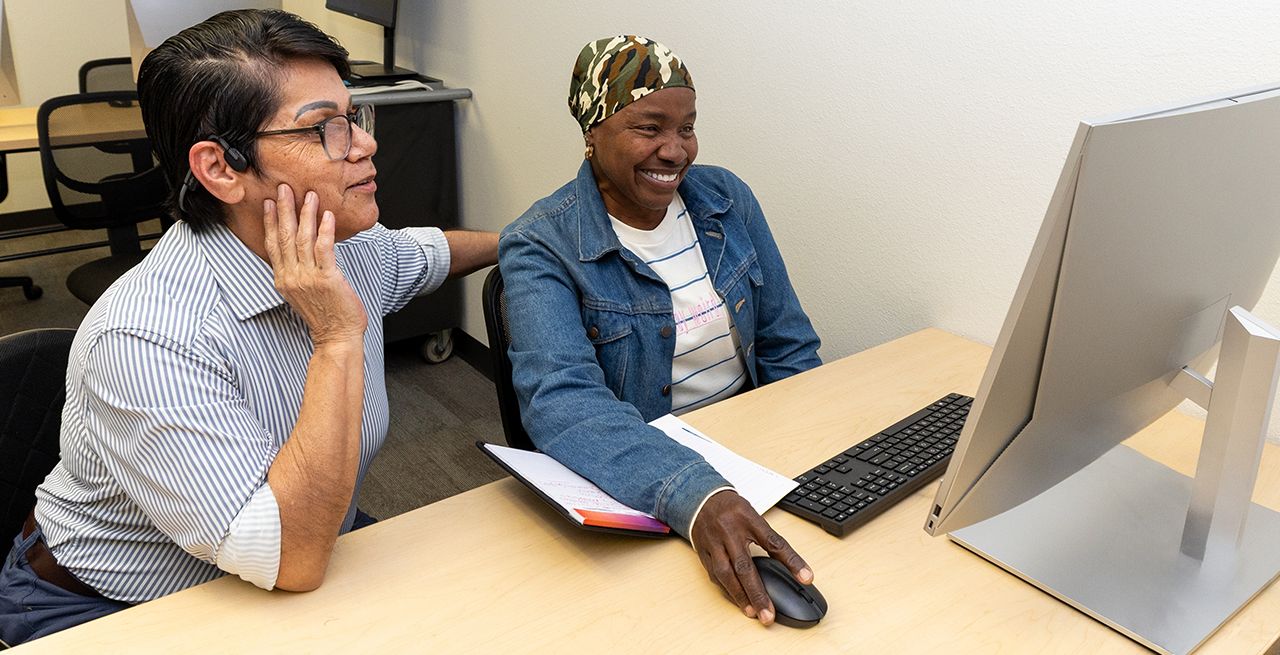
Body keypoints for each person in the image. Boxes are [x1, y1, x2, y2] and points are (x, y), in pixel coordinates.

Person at [0, 9, 497, 646]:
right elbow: (289, 558)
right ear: (220, 169)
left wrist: (526, 243)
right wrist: (337, 338)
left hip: (285, 552)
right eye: (324, 129)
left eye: (355, 118)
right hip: (112, 606)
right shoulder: (145, 336)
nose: (366, 144)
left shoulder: (341, 246)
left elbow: (428, 254)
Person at [499, 35, 822, 626]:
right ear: (592, 132)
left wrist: (816, 458)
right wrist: (695, 495)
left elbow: (786, 341)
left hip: (756, 461)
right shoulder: (540, 244)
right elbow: (564, 405)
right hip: (650, 478)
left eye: (688, 128)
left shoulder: (727, 199)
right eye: (649, 128)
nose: (675, 151)